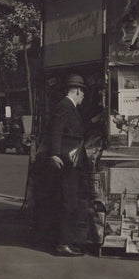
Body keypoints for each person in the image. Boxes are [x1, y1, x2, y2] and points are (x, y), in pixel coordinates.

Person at [34, 74, 88, 256]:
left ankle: (67, 241)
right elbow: (55, 130)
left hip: (67, 162)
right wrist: (55, 154)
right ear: (78, 90)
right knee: (68, 202)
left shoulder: (69, 107)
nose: (84, 98)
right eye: (83, 93)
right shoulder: (65, 106)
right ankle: (64, 243)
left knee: (69, 202)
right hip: (66, 163)